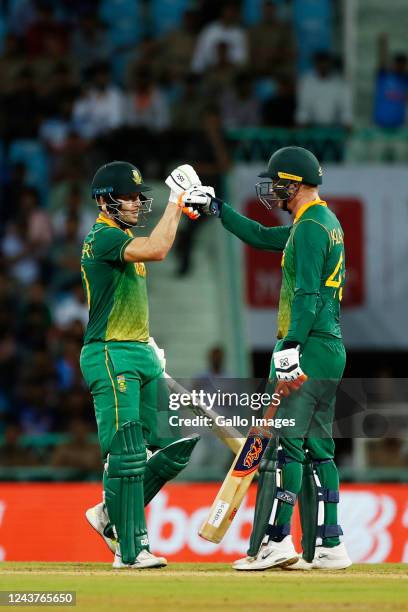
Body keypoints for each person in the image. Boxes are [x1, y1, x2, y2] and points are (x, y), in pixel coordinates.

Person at [183, 146, 352, 570]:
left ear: (295, 184)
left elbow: (307, 293)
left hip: (307, 345)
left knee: (285, 449)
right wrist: (217, 208)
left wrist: (292, 346)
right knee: (320, 448)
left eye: (279, 182)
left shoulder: (310, 229)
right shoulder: (322, 223)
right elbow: (260, 236)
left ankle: (276, 542)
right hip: (330, 347)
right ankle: (331, 544)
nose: (273, 189)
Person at [79, 161, 209, 569]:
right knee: (127, 453)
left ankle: (107, 513)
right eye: (128, 196)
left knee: (170, 449)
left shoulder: (123, 237)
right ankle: (131, 551)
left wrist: (146, 341)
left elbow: (128, 296)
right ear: (105, 200)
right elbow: (159, 249)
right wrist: (176, 201)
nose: (136, 202)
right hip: (109, 352)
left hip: (139, 351)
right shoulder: (102, 237)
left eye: (139, 195)